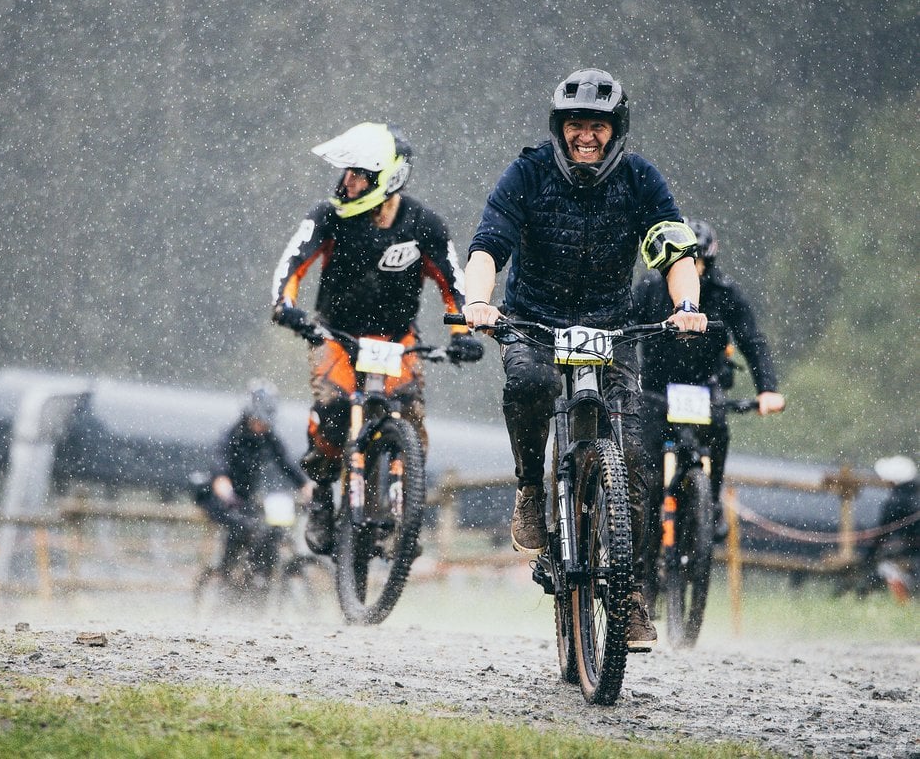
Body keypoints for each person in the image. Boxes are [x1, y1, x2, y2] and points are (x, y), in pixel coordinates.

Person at [459, 68, 708, 648]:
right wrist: (477, 301)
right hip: (533, 321)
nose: (585, 138)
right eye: (575, 126)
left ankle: (629, 595)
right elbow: (488, 244)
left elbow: (674, 252)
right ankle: (529, 486)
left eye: (596, 126)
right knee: (526, 385)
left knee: (638, 464)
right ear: (559, 128)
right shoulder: (528, 173)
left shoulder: (642, 180)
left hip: (611, 327)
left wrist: (688, 304)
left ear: (615, 129)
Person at [271, 121, 483, 555]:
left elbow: (453, 285)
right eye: (346, 172)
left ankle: (404, 515)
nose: (347, 181)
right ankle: (323, 496)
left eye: (358, 174)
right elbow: (292, 263)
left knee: (410, 414)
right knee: (332, 410)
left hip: (396, 339)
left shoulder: (424, 225)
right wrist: (286, 307)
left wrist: (461, 331)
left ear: (387, 180)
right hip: (336, 334)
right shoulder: (327, 215)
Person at [633, 217, 786, 552]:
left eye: (699, 262)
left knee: (719, 432)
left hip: (703, 385)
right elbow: (627, 332)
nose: (694, 270)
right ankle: (643, 527)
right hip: (656, 388)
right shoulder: (648, 289)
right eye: (687, 261)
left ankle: (710, 503)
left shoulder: (727, 294)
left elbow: (752, 341)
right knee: (647, 467)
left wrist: (767, 389)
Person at [196, 381, 313, 591]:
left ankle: (259, 579)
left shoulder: (268, 438)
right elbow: (219, 473)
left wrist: (305, 487)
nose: (263, 425)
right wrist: (227, 493)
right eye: (260, 419)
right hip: (221, 499)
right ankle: (227, 576)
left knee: (271, 533)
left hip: (245, 499)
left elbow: (286, 465)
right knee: (242, 526)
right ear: (250, 414)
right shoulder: (231, 437)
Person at [859, 455, 920, 600]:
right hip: (914, 551)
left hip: (911, 553)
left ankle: (904, 597)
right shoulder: (914, 498)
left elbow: (881, 534)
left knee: (886, 567)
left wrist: (867, 557)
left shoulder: (895, 502)